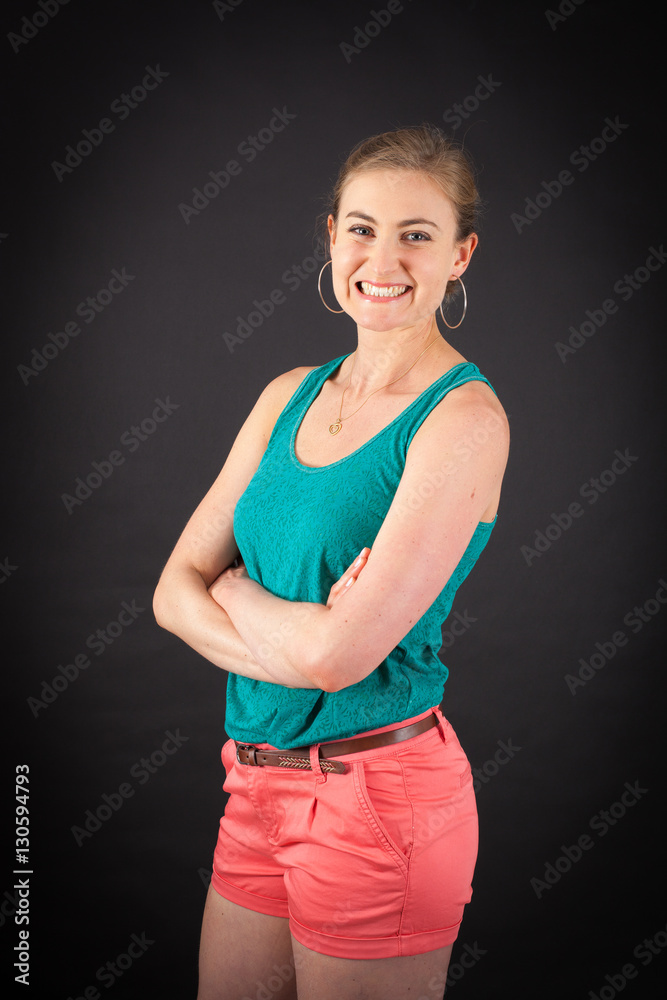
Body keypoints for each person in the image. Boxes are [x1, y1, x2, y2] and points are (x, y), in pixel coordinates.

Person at [153, 124, 510, 1000]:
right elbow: (169, 594)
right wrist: (305, 633)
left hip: (377, 800)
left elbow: (336, 659)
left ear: (459, 255)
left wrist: (236, 591)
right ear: (330, 238)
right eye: (361, 229)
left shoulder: (462, 422)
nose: (381, 260)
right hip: (254, 783)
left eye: (415, 235)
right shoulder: (288, 394)